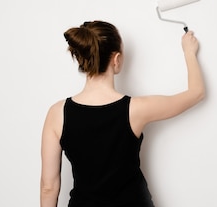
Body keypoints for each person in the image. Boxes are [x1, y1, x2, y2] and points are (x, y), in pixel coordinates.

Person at [40, 21, 205, 207]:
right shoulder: (136, 109)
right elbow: (196, 92)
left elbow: (49, 186)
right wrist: (189, 52)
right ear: (116, 59)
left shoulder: (57, 114)